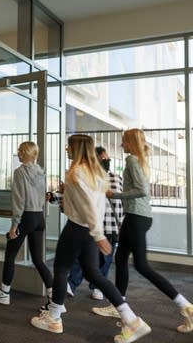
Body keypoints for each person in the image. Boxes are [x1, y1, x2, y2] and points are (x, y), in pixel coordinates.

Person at [31, 134, 151, 343]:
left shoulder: (76, 172)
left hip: (77, 228)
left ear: (77, 149)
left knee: (61, 270)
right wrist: (96, 233)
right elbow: (97, 205)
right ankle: (131, 320)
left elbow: (87, 205)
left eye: (69, 147)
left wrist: (98, 235)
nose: (66, 149)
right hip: (88, 230)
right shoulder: (96, 173)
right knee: (94, 275)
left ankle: (54, 318)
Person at [92, 129, 193, 334]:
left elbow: (142, 191)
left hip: (137, 217)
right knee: (120, 260)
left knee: (142, 265)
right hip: (138, 217)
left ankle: (186, 306)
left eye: (123, 141)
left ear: (130, 142)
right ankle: (117, 304)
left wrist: (114, 194)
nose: (121, 145)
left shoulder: (132, 160)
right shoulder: (141, 160)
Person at [0, 142, 53, 305]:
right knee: (38, 259)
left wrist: (14, 225)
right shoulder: (41, 172)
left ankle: (4, 293)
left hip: (26, 217)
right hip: (39, 218)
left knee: (10, 255)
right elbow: (43, 198)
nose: (18, 153)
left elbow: (19, 200)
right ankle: (55, 297)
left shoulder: (19, 172)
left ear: (24, 153)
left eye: (20, 151)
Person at [67, 146, 123, 300]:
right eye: (104, 158)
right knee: (80, 257)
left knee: (105, 259)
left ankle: (98, 287)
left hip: (110, 225)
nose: (107, 161)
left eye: (107, 158)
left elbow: (120, 202)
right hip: (92, 225)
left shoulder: (116, 178)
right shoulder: (87, 177)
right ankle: (71, 284)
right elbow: (81, 200)